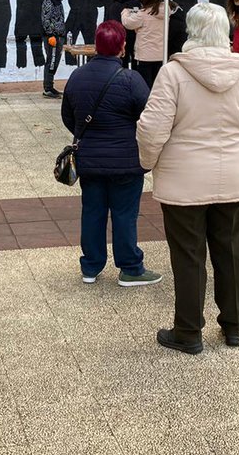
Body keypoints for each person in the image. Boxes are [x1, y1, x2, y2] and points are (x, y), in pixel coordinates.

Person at [137, 3, 239, 354]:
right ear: (225, 34)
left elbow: (151, 131)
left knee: (188, 256)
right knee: (230, 253)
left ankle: (188, 331)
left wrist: (149, 164)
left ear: (191, 32)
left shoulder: (173, 73)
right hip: (233, 179)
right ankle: (234, 326)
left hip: (183, 182)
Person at [61, 21, 160, 287]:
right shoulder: (131, 79)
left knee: (92, 211)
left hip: (89, 160)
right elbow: (148, 116)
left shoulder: (77, 77)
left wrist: (89, 135)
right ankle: (130, 267)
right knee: (125, 214)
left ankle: (91, 266)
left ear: (96, 45)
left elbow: (68, 117)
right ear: (122, 47)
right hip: (126, 161)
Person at [121, 0, 170, 88]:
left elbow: (127, 23)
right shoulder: (166, 12)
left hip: (145, 55)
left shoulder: (143, 14)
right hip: (161, 54)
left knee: (145, 86)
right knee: (158, 86)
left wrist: (125, 12)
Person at [40, 0, 68, 98]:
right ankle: (48, 88)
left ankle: (50, 86)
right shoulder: (48, 1)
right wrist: (50, 34)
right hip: (52, 37)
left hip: (60, 35)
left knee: (55, 61)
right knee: (51, 61)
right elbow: (45, 19)